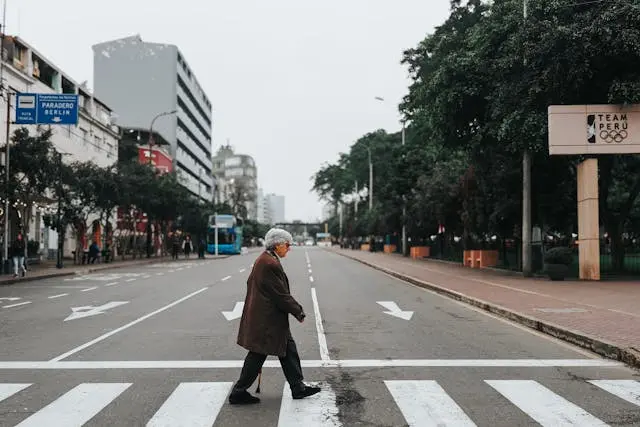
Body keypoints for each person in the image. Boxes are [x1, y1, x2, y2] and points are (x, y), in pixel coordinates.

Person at [229, 228, 320, 405]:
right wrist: (298, 311)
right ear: (277, 245)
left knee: (288, 350)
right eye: (287, 245)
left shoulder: (266, 259)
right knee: (258, 354)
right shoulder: (269, 263)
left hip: (269, 318)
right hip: (267, 320)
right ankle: (238, 391)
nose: (289, 248)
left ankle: (297, 387)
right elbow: (280, 294)